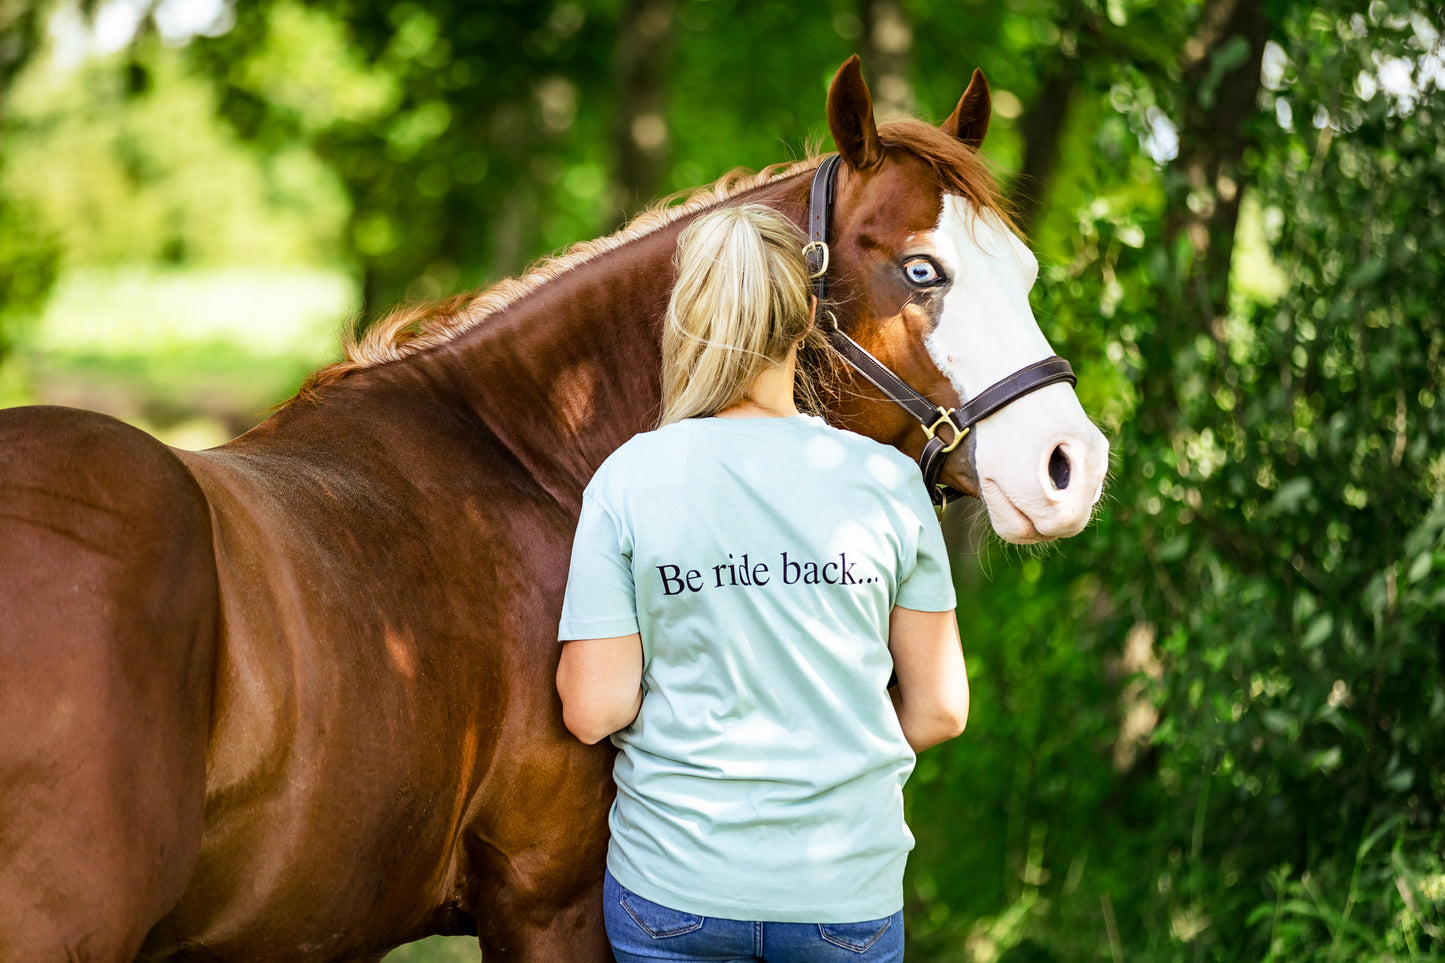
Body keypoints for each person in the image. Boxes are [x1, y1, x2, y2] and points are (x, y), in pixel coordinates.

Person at [556, 203, 969, 963]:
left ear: (685, 314)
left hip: (675, 889)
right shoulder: (888, 481)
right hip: (842, 896)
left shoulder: (629, 479)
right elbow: (940, 708)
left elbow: (592, 709)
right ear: (809, 315)